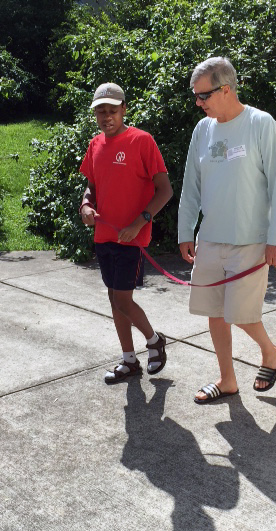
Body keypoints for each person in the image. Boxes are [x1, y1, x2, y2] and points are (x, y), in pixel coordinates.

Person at [177, 57, 276, 403]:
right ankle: (227, 380)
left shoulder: (260, 123)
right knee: (214, 312)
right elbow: (191, 185)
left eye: (203, 95)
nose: (198, 103)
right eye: (196, 96)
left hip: (251, 241)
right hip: (210, 238)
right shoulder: (203, 130)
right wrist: (185, 230)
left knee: (240, 313)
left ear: (225, 89)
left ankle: (270, 353)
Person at [79, 82, 173, 384]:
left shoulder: (141, 141)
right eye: (101, 111)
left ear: (124, 110)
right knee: (114, 298)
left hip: (131, 238)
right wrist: (85, 204)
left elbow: (165, 190)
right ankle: (129, 361)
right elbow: (91, 186)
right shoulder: (95, 145)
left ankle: (154, 340)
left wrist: (140, 222)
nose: (107, 116)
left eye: (113, 110)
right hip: (104, 235)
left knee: (122, 299)